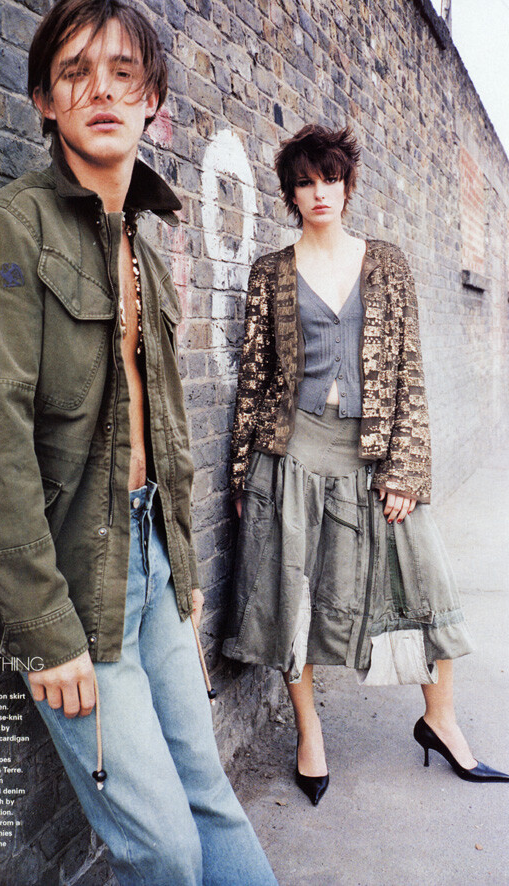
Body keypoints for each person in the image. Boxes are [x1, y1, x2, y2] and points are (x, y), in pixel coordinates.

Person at [0, 1, 279, 883]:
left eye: (125, 74)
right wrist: (45, 629)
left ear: (152, 98)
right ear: (44, 99)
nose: (102, 91)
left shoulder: (147, 254)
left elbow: (167, 429)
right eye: (76, 73)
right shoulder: (12, 231)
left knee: (211, 797)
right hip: (78, 581)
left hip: (153, 559)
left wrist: (185, 573)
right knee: (161, 845)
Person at [223, 123, 509, 806]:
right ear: (291, 194)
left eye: (330, 179)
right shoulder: (271, 273)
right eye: (305, 183)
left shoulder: (386, 263)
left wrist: (405, 470)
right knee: (292, 596)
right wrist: (241, 474)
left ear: (347, 186)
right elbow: (254, 379)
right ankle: (310, 734)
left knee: (425, 578)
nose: (319, 192)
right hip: (290, 454)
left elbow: (409, 370)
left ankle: (440, 720)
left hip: (371, 454)